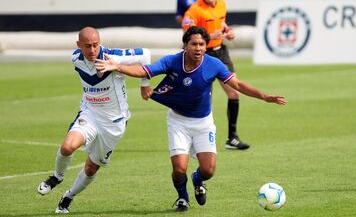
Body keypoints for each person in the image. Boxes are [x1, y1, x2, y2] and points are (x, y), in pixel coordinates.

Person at [95, 26, 286, 212]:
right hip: (178, 122)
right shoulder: (172, 61)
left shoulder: (214, 64)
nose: (198, 48)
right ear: (185, 45)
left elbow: (237, 83)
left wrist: (263, 96)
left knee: (208, 170)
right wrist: (117, 66)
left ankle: (197, 180)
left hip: (203, 123)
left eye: (202, 44)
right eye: (194, 44)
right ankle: (182, 198)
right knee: (179, 169)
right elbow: (146, 70)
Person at [37, 26, 151, 214]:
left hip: (114, 122)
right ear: (78, 45)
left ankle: (68, 197)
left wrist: (144, 84)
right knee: (67, 147)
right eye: (87, 46)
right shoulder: (75, 58)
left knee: (90, 169)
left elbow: (145, 54)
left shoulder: (112, 56)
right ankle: (57, 177)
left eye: (95, 45)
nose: (92, 50)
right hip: (90, 114)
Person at [182, 0, 249, 150]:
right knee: (204, 98)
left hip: (221, 52)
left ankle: (232, 138)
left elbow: (221, 23)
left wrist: (228, 31)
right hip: (202, 55)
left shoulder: (221, 5)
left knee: (234, 93)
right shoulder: (194, 11)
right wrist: (210, 37)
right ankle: (195, 137)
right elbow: (187, 34)